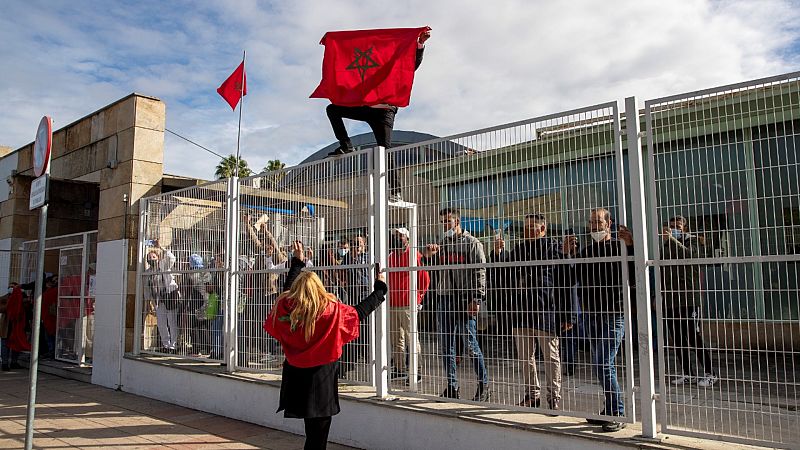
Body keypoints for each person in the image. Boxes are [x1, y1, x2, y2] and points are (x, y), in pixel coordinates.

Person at [264, 241, 387, 450]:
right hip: (322, 376)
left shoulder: (286, 310)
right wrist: (380, 289)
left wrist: (297, 262)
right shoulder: (331, 311)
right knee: (319, 432)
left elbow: (286, 291)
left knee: (311, 431)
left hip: (296, 375)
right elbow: (359, 312)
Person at [324, 30, 431, 203]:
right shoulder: (368, 70)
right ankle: (346, 145)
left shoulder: (393, 69)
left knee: (385, 150)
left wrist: (419, 44)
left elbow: (411, 65)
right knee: (332, 109)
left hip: (384, 113)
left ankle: (396, 191)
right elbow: (350, 67)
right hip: (365, 108)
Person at [492, 214, 573, 412]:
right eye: (525, 227)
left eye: (532, 227)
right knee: (525, 357)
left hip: (546, 310)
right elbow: (504, 274)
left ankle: (554, 397)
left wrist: (568, 315)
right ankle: (531, 395)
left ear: (542, 228)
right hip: (521, 311)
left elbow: (567, 281)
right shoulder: (519, 249)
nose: (527, 231)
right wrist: (498, 253)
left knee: (551, 357)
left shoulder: (553, 248)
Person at [563, 208, 634, 432]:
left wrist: (631, 247)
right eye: (591, 223)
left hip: (613, 314)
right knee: (600, 364)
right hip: (591, 314)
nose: (594, 226)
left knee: (603, 363)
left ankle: (618, 413)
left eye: (598, 222)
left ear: (608, 224)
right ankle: (610, 408)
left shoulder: (618, 247)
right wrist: (568, 255)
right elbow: (569, 279)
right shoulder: (586, 252)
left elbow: (633, 276)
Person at [422, 208, 490, 401]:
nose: (445, 225)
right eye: (442, 221)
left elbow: (480, 271)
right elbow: (434, 273)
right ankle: (452, 386)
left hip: (464, 299)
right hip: (445, 298)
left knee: (470, 343)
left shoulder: (472, 243)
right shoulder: (442, 244)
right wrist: (429, 256)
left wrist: (476, 298)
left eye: (448, 221)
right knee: (446, 345)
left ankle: (484, 384)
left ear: (457, 221)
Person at [661, 215, 716, 387]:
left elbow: (690, 258)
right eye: (671, 226)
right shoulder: (666, 244)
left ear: (685, 228)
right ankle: (687, 373)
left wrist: (672, 241)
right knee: (677, 337)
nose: (674, 228)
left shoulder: (693, 241)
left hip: (689, 298)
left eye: (677, 225)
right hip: (671, 298)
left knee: (694, 335)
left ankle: (710, 372)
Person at [388, 227, 430, 381]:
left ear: (407, 238)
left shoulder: (415, 255)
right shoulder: (391, 256)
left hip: (408, 304)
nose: (397, 238)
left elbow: (424, 279)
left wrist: (418, 298)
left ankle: (416, 371)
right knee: (396, 338)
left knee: (411, 338)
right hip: (393, 303)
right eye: (396, 235)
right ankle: (399, 369)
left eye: (400, 235)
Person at [143, 241, 180, 353]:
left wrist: (161, 247)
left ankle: (173, 345)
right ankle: (166, 345)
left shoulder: (163, 265)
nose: (152, 259)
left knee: (172, 321)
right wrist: (148, 303)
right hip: (158, 300)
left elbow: (172, 258)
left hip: (169, 297)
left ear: (158, 258)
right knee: (161, 323)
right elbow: (147, 288)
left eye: (153, 257)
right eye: (149, 257)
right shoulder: (148, 272)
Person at [1, 283, 29, 371]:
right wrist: (11, 302)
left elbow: (26, 308)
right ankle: (4, 363)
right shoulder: (5, 298)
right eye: (11, 287)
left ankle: (14, 362)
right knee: (5, 344)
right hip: (7, 325)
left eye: (14, 287)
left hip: (17, 325)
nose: (12, 289)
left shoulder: (22, 297)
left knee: (16, 343)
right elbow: (2, 308)